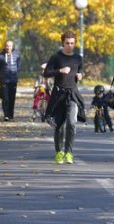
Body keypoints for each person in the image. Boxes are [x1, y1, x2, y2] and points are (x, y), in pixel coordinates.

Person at [44, 30, 86, 164]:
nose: (69, 46)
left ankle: (69, 152)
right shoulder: (56, 57)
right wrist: (59, 71)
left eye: (72, 43)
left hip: (72, 94)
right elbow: (46, 73)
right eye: (67, 43)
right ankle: (59, 152)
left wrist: (80, 75)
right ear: (63, 43)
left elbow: (80, 70)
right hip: (58, 95)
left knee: (72, 123)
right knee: (59, 125)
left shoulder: (78, 58)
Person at [0, 40, 21, 121]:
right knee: (5, 97)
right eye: (7, 46)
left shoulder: (16, 55)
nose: (8, 47)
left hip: (13, 80)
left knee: (12, 97)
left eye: (10, 46)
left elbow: (18, 67)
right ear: (5, 46)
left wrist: (15, 74)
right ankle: (6, 115)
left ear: (12, 47)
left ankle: (11, 114)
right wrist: (1, 75)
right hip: (4, 80)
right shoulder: (0, 56)